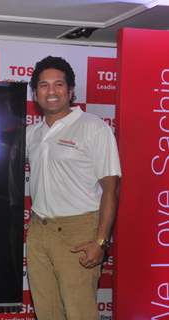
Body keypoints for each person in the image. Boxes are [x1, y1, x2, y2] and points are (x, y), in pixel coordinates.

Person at [25, 56, 120, 319]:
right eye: (43, 85)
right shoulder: (33, 133)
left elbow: (111, 189)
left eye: (58, 84)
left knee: (79, 314)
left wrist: (101, 242)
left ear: (70, 91)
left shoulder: (93, 127)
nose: (51, 91)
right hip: (38, 231)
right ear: (36, 93)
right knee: (47, 313)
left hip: (79, 233)